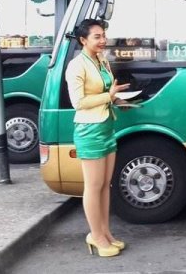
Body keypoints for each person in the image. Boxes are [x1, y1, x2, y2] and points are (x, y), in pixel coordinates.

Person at [65, 19, 130, 257]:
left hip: (106, 125)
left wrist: (119, 100)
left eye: (103, 35)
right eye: (97, 36)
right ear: (83, 40)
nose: (103, 40)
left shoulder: (102, 60)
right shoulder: (76, 65)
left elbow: (106, 91)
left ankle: (105, 233)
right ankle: (95, 235)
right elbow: (78, 102)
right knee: (93, 186)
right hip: (89, 129)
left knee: (104, 185)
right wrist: (108, 96)